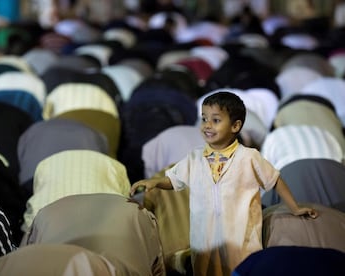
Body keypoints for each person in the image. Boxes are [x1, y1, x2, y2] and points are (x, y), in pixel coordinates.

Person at [130, 91, 318, 276]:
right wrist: (155, 182)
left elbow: (274, 179)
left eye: (216, 120)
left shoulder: (249, 157)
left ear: (235, 126)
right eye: (204, 119)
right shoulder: (195, 158)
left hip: (241, 240)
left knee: (241, 271)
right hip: (204, 242)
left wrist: (294, 208)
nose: (207, 125)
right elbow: (173, 180)